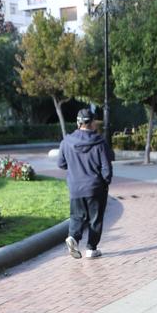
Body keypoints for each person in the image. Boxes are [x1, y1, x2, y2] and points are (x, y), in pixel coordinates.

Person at [57, 108, 113, 260]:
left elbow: (61, 164)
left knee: (76, 216)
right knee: (96, 219)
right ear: (93, 123)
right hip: (95, 187)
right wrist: (106, 182)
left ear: (78, 123)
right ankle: (91, 248)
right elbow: (106, 168)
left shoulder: (66, 142)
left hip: (75, 187)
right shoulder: (100, 142)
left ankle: (73, 238)